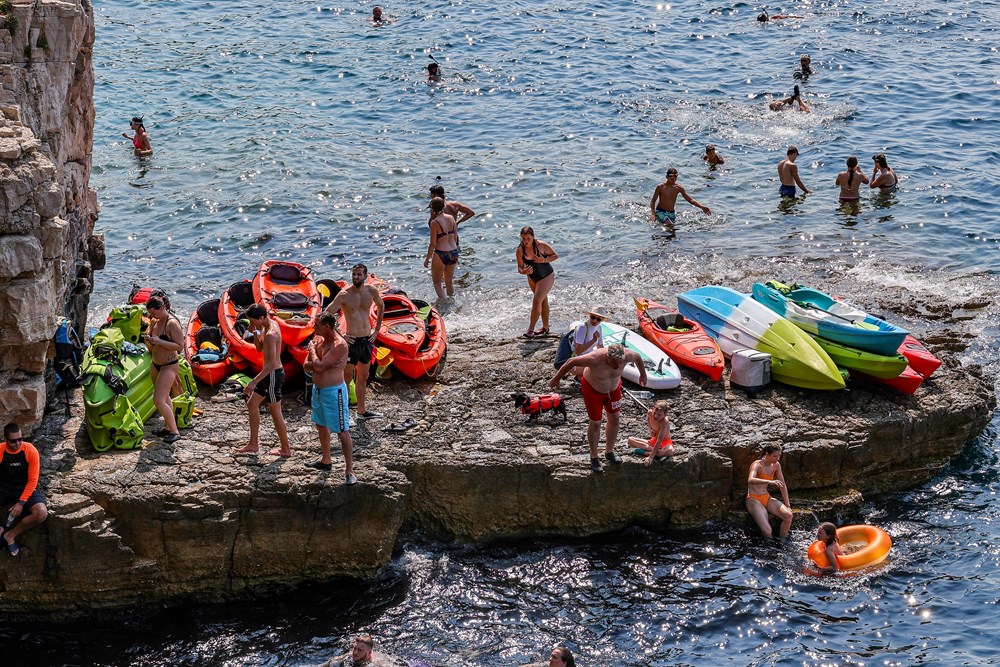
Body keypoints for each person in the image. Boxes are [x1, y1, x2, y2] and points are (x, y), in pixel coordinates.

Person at [551, 343, 647, 474]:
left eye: (620, 362)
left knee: (615, 419)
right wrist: (556, 378)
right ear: (608, 357)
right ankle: (594, 456)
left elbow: (638, 358)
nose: (618, 365)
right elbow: (571, 361)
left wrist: (643, 374)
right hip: (593, 391)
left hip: (613, 390)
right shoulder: (594, 358)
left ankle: (609, 451)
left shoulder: (627, 356)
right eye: (615, 362)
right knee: (596, 422)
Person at [326, 263, 385, 420]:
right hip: (351, 341)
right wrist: (340, 335)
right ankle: (345, 414)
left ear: (365, 276)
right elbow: (326, 314)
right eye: (354, 274)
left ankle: (361, 411)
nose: (356, 277)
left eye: (359, 274)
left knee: (363, 377)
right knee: (346, 378)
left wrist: (377, 329)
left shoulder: (371, 291)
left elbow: (381, 305)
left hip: (367, 340)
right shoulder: (344, 295)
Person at [304, 312, 356, 484]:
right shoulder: (318, 339)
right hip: (318, 391)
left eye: (317, 325)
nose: (313, 327)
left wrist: (313, 352)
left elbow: (318, 367)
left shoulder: (339, 345)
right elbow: (306, 366)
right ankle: (326, 460)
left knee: (342, 431)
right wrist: (319, 362)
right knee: (320, 425)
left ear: (326, 327)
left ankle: (349, 470)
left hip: (334, 392)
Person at [235, 304, 291, 456]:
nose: (252, 324)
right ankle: (253, 444)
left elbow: (271, 364)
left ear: (261, 317)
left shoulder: (271, 333)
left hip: (273, 374)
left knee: (275, 412)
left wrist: (253, 382)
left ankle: (285, 449)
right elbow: (260, 349)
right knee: (252, 404)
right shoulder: (267, 326)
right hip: (267, 373)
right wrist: (254, 332)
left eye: (253, 321)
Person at [0, 423, 48, 558]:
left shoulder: (30, 450)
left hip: (24, 487)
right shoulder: (1, 450)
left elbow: (33, 480)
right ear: (5, 439)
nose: (18, 443)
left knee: (41, 513)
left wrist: (21, 502)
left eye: (20, 439)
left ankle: (11, 535)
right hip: (3, 487)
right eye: (13, 441)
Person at [143, 295, 183, 444]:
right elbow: (154, 343)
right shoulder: (155, 321)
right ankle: (167, 427)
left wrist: (159, 341)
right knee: (165, 397)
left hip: (169, 365)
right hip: (156, 364)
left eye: (154, 313)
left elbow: (179, 346)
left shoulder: (172, 323)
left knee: (158, 400)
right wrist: (149, 340)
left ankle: (175, 431)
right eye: (150, 314)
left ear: (162, 308)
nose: (152, 316)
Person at [516, 226, 558, 338]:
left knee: (537, 300)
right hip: (532, 278)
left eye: (528, 238)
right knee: (542, 300)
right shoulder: (520, 249)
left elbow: (555, 256)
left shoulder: (541, 245)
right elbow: (519, 267)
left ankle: (530, 330)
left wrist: (543, 260)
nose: (526, 241)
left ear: (533, 237)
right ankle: (545, 327)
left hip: (546, 276)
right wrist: (523, 271)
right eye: (523, 238)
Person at [746, 444, 793, 538]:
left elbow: (782, 485)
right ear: (767, 454)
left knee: (788, 515)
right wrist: (769, 481)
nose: (777, 458)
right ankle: (768, 545)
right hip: (753, 499)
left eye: (779, 456)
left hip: (766, 497)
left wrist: (787, 505)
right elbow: (750, 479)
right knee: (767, 531)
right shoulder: (757, 465)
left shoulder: (776, 465)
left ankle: (782, 541)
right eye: (775, 456)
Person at [424, 197, 460, 300]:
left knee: (437, 283)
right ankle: (452, 302)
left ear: (432, 208)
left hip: (441, 253)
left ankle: (444, 304)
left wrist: (427, 259)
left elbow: (432, 244)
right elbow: (455, 237)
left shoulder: (434, 222)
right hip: (453, 252)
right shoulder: (451, 218)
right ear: (443, 206)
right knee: (449, 282)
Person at [627, 400, 674, 464]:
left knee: (669, 451)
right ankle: (657, 453)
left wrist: (650, 457)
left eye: (659, 415)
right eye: (654, 413)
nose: (656, 416)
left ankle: (645, 452)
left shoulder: (665, 421)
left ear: (665, 415)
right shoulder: (649, 413)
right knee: (630, 440)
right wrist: (650, 430)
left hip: (664, 442)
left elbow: (659, 440)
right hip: (653, 441)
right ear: (653, 409)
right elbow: (649, 421)